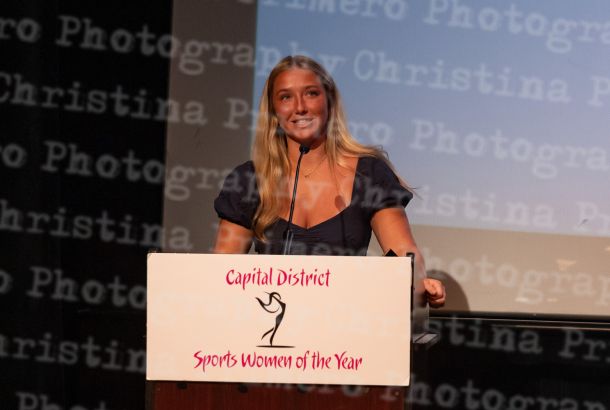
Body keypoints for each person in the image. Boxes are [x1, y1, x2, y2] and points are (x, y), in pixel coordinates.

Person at [213, 55, 445, 308]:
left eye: (311, 93)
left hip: (347, 321)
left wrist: (418, 282)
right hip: (269, 325)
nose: (300, 107)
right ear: (273, 111)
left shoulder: (368, 174)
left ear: (329, 100)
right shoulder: (248, 181)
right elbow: (222, 273)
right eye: (286, 97)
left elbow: (404, 254)